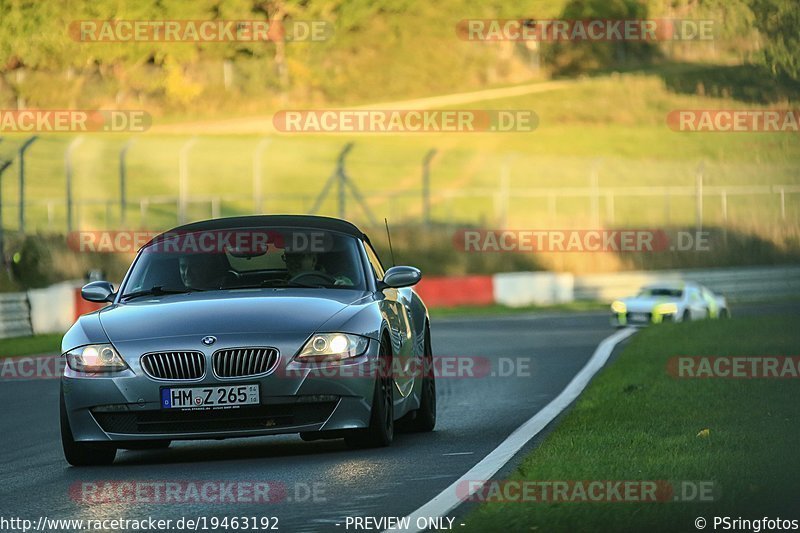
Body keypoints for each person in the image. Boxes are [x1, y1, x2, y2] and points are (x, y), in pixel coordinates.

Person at [282, 251, 352, 286]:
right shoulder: (279, 283)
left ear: (313, 260)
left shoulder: (337, 281)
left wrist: (344, 288)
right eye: (289, 256)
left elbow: (354, 296)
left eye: (300, 256)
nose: (293, 261)